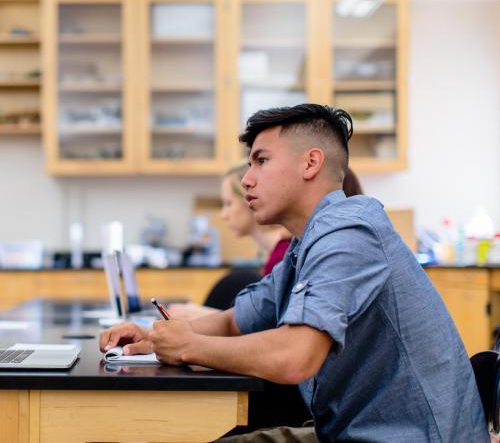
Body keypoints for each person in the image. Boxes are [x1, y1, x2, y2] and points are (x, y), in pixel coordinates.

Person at [100, 103, 488, 442]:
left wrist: (187, 346)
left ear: (310, 163)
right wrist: (155, 339)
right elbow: (237, 322)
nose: (247, 179)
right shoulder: (307, 244)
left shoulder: (351, 230)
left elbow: (295, 358)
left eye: (261, 161)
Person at [167, 162, 292, 321]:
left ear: (250, 200)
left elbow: (272, 326)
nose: (223, 215)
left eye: (228, 203)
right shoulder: (277, 253)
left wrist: (204, 316)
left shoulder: (284, 256)